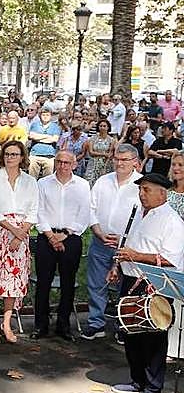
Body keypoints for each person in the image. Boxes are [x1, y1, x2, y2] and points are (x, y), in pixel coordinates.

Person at [110, 173, 184, 393]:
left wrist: (136, 256)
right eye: (140, 190)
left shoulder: (172, 221)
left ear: (162, 193)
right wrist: (117, 265)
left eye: (147, 190)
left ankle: (153, 388)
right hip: (130, 279)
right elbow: (129, 246)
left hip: (155, 284)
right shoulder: (138, 214)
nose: (142, 194)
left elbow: (170, 259)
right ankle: (137, 381)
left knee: (153, 337)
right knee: (131, 333)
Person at [82, 143, 142, 340]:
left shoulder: (142, 185)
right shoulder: (103, 181)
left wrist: (126, 239)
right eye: (117, 158)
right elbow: (90, 208)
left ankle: (123, 325)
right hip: (101, 242)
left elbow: (145, 217)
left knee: (126, 287)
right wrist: (98, 232)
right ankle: (95, 322)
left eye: (124, 160)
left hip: (128, 247)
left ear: (135, 162)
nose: (119, 163)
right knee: (96, 283)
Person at [0, 141, 38, 344]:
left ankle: (6, 322)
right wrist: (11, 230)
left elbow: (33, 212)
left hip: (20, 236)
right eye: (7, 154)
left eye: (15, 154)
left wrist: (19, 234)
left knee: (13, 282)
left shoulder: (30, 181)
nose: (10, 157)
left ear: (22, 157)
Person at [32, 150, 91, 340]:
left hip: (71, 238)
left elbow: (84, 214)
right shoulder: (43, 183)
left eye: (67, 162)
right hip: (46, 236)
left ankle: (63, 326)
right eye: (59, 162)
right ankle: (40, 325)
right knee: (43, 283)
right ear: (55, 162)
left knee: (68, 284)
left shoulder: (82, 185)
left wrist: (64, 235)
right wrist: (51, 236)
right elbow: (38, 211)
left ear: (74, 164)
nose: (63, 166)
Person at [26, 109, 60, 179]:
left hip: (49, 156)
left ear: (51, 116)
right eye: (43, 115)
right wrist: (48, 137)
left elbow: (54, 139)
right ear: (40, 116)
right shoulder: (35, 125)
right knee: (32, 179)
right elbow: (31, 136)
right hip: (35, 155)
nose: (45, 117)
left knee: (48, 180)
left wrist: (38, 137)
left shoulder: (55, 126)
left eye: (47, 115)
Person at [84, 119, 116, 183]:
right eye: (100, 126)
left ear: (108, 127)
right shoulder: (93, 138)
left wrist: (105, 167)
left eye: (104, 126)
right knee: (89, 180)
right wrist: (104, 154)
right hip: (93, 163)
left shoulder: (112, 140)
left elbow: (110, 154)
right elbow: (91, 152)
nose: (102, 128)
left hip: (105, 164)